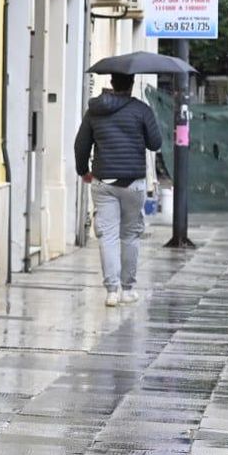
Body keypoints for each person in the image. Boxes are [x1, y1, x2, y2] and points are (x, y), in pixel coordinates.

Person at [75, 72, 164, 307]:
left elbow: (81, 144)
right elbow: (156, 143)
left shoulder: (94, 110)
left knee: (108, 235)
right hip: (133, 182)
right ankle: (127, 289)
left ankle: (111, 291)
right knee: (130, 235)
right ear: (131, 84)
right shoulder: (141, 110)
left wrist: (83, 170)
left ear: (112, 83)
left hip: (103, 181)